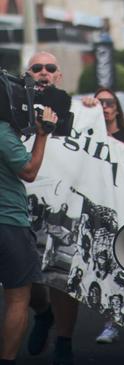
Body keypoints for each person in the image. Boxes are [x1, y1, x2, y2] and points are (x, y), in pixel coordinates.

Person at [23, 51, 78, 365]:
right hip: (22, 202)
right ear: (27, 74)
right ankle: (43, 314)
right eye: (36, 67)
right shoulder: (11, 107)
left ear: (58, 76)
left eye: (50, 68)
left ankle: (65, 340)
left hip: (62, 203)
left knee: (60, 272)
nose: (43, 72)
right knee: (23, 280)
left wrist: (92, 109)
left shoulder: (78, 110)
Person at [0, 83, 58, 365]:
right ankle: (8, 359)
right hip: (9, 223)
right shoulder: (2, 133)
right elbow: (29, 171)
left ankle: (45, 313)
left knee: (25, 281)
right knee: (17, 298)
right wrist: (42, 135)